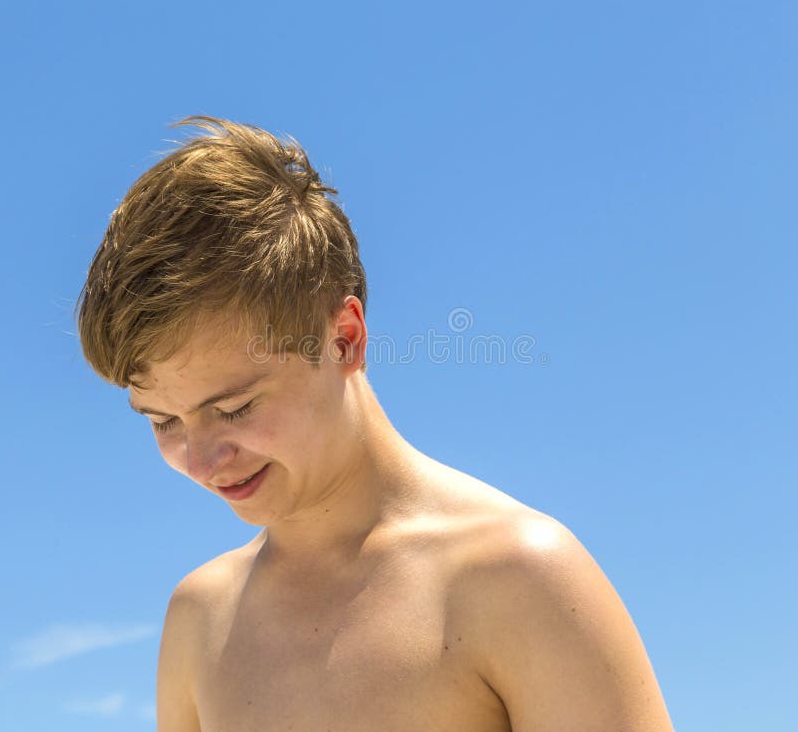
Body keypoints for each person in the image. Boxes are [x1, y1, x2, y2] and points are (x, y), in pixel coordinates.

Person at [75, 116, 674, 731]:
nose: (200, 462)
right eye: (162, 421)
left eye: (234, 409)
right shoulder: (200, 620)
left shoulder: (518, 581)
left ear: (344, 340)